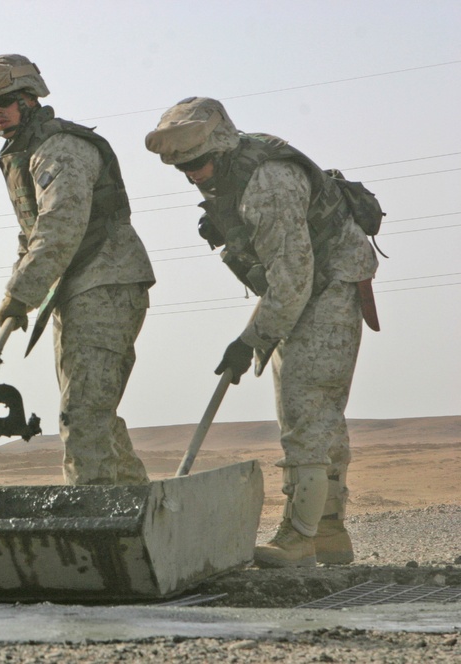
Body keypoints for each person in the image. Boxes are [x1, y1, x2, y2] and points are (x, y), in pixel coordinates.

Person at [144, 97, 380, 568]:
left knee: (307, 407)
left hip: (330, 285)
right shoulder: (234, 172)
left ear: (222, 147)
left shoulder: (267, 182)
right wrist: (254, 337)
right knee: (315, 412)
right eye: (183, 169)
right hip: (303, 289)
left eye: (199, 163)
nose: (194, 175)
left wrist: (249, 340)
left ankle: (299, 538)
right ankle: (330, 534)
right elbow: (286, 280)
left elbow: (293, 279)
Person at [0, 55, 156, 486]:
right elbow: (32, 235)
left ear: (31, 98)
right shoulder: (24, 155)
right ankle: (141, 514)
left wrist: (21, 293)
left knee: (83, 412)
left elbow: (59, 227)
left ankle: (96, 527)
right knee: (92, 411)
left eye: (6, 102)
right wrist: (18, 298)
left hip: (107, 279)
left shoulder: (61, 148)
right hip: (76, 287)